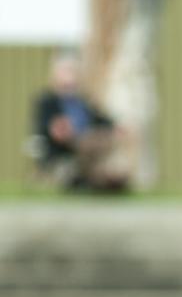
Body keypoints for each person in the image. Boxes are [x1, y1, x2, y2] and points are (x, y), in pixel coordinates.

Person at [32, 51, 131, 192]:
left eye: (73, 72)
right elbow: (43, 126)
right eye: (66, 72)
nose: (70, 77)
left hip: (89, 146)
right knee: (89, 147)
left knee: (100, 143)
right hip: (65, 150)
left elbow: (99, 118)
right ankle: (97, 178)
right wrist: (55, 129)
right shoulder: (47, 101)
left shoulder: (82, 101)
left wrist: (115, 126)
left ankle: (107, 177)